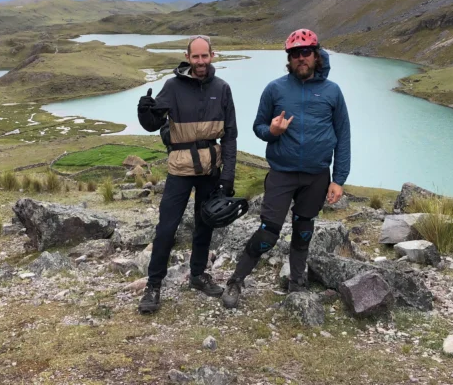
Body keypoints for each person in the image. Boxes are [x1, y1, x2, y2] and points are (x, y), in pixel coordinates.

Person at [221, 28, 350, 309]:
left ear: (316, 55)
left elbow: (343, 136)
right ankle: (235, 281)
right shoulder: (275, 89)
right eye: (294, 54)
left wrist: (338, 179)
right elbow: (258, 127)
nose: (301, 58)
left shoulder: (332, 92)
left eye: (306, 52)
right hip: (282, 174)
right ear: (288, 59)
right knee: (268, 234)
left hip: (317, 176)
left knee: (304, 232)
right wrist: (273, 131)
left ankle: (297, 283)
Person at [136, 35, 238, 314]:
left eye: (205, 56)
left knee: (205, 224)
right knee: (167, 227)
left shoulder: (222, 88)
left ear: (212, 56)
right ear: (188, 57)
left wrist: (228, 175)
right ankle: (153, 285)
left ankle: (197, 275)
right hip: (180, 168)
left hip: (210, 169)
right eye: (196, 57)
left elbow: (230, 135)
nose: (201, 62)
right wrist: (144, 112)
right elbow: (153, 123)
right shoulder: (172, 86)